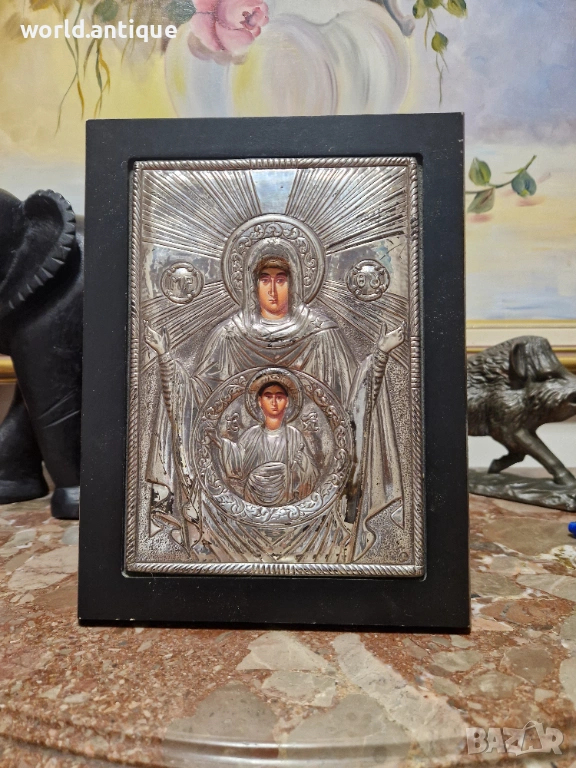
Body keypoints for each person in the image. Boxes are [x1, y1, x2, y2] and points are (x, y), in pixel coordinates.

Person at [144, 235, 405, 562]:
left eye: (281, 279)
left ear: (296, 282)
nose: (272, 289)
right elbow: (196, 405)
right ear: (250, 283)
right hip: (231, 507)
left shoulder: (322, 336)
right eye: (264, 279)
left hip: (312, 505)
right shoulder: (228, 337)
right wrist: (167, 361)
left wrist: (379, 356)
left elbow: (352, 407)